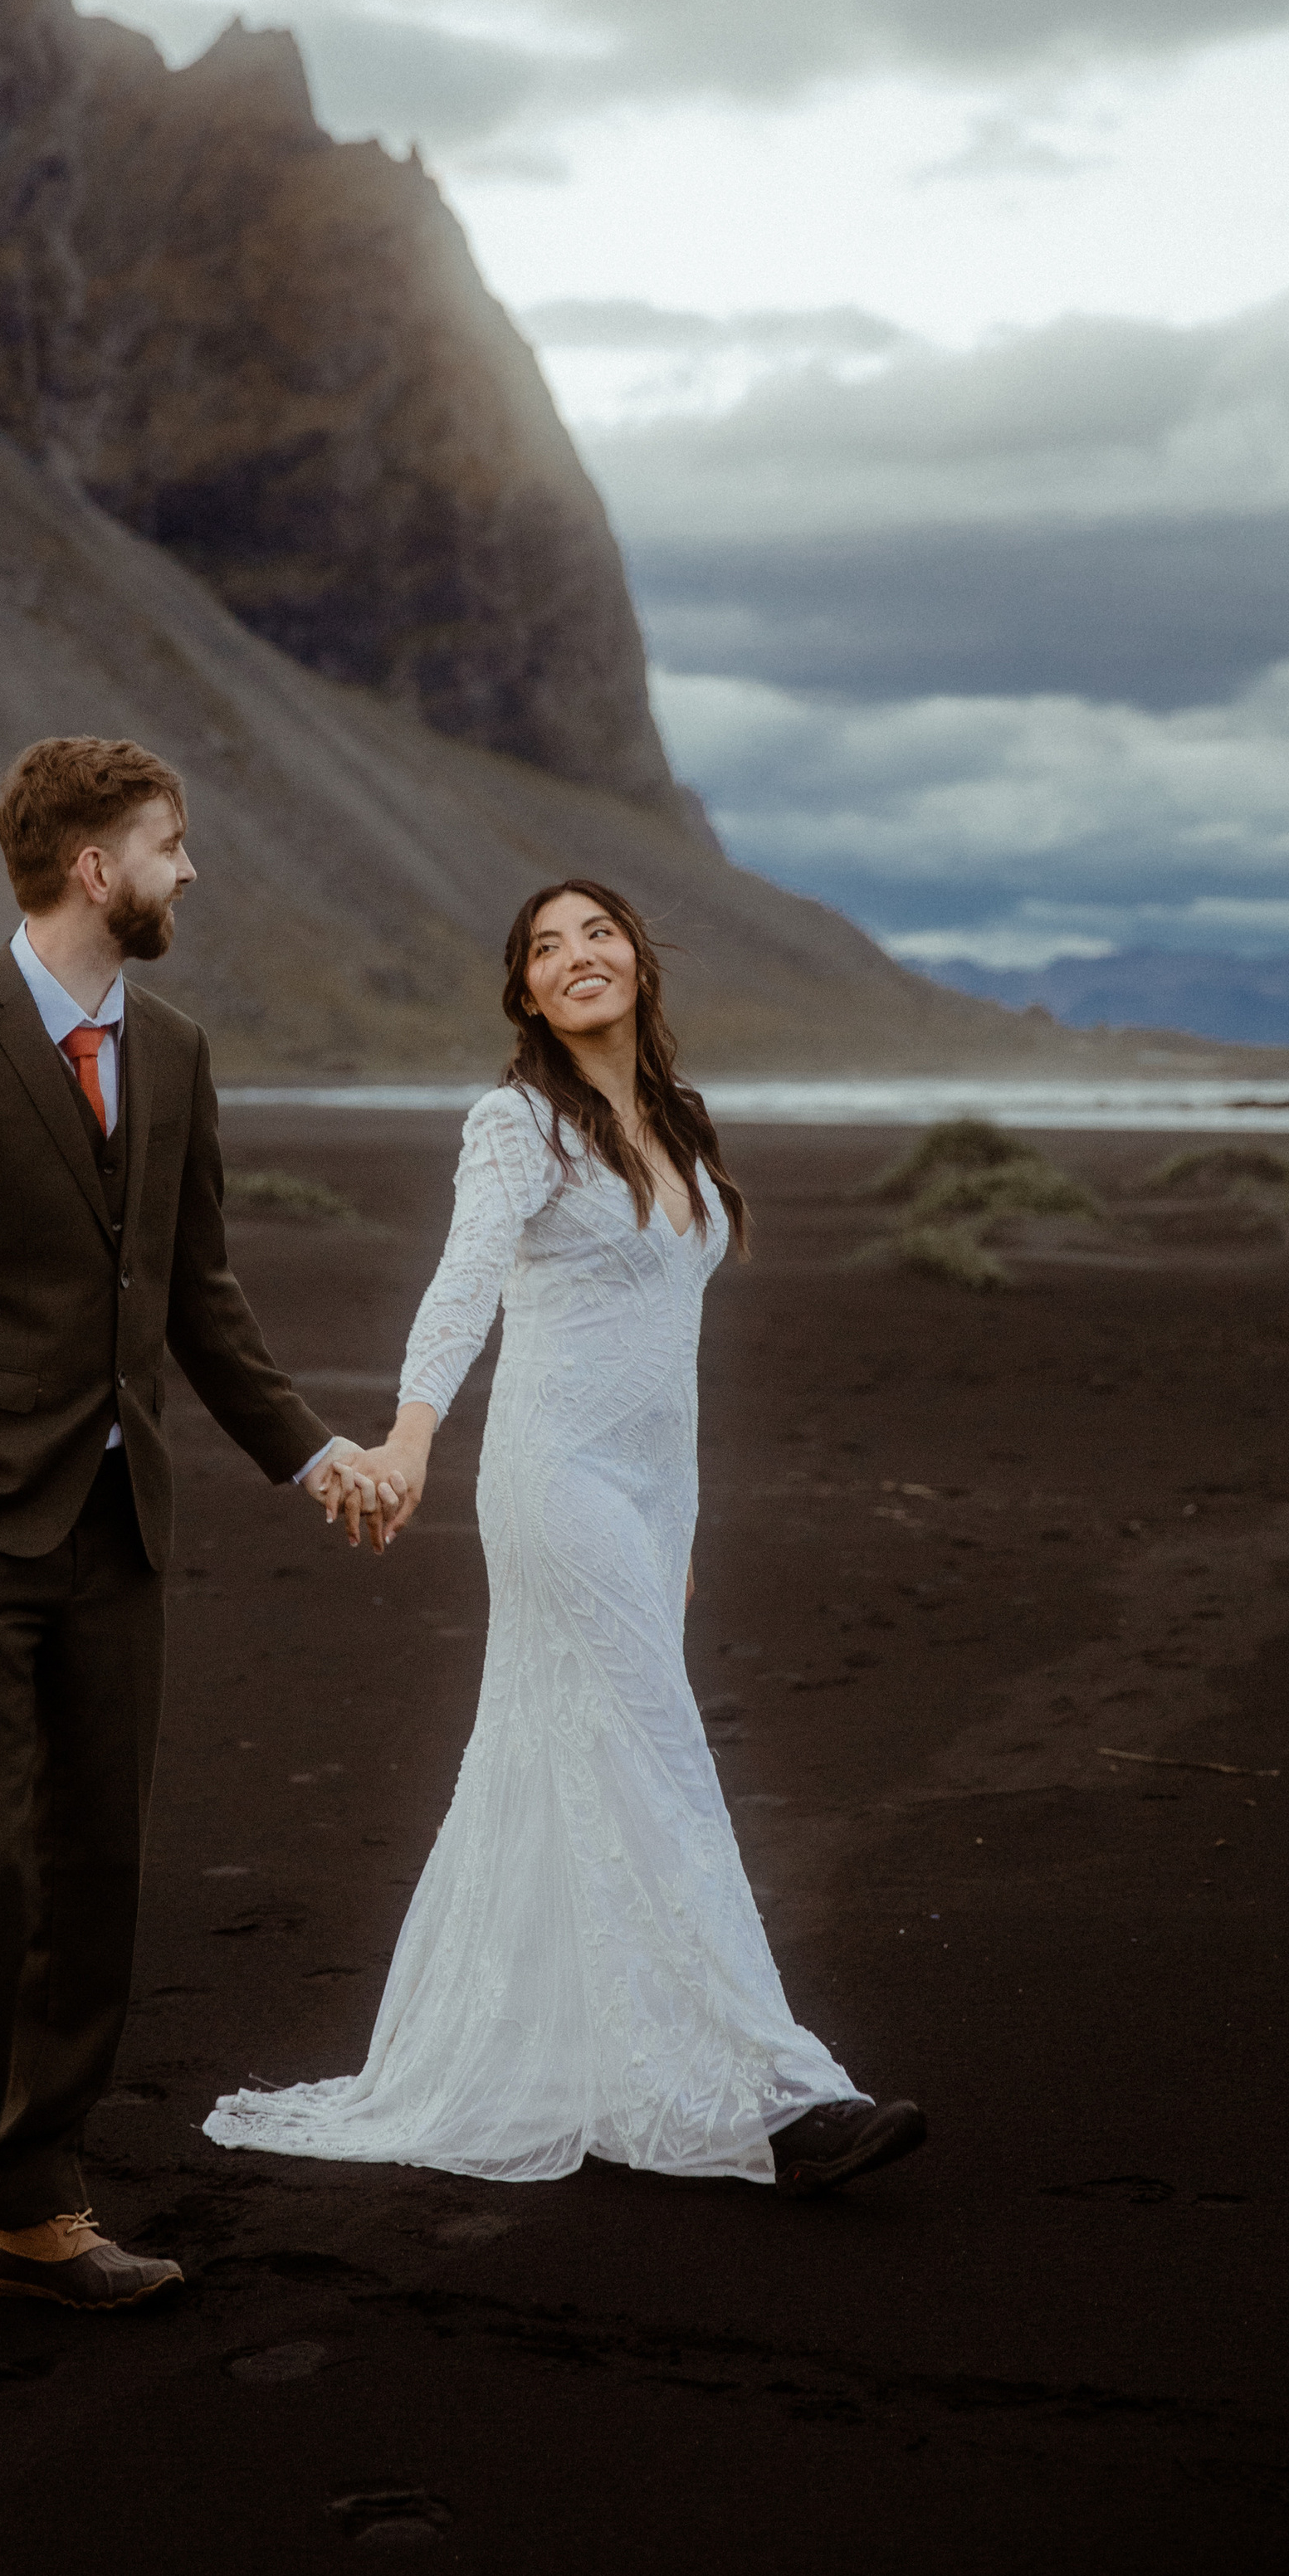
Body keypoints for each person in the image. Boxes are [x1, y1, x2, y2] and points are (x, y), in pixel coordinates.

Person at [206, 879, 926, 2197]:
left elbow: (675, 1370)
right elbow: (465, 1276)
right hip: (550, 1481)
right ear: (527, 995)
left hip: (645, 1501)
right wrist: (411, 1437)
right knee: (665, 1761)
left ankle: (578, 2060)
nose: (575, 955)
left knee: (562, 1761)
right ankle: (779, 2088)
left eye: (597, 933)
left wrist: (683, 1530)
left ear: (638, 964)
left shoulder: (677, 1130)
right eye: (546, 947)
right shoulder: (517, 1122)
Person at [0, 737, 390, 2328]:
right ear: (96, 868)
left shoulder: (183, 1052)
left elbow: (199, 1300)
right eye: (169, 842)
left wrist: (312, 1455)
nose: (189, 868)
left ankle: (36, 2203)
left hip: (116, 1532)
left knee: (94, 1870)